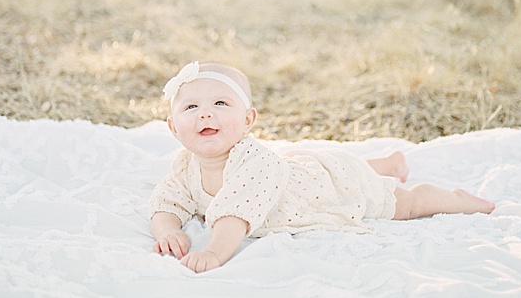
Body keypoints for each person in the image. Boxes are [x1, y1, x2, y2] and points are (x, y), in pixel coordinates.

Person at [149, 61, 495, 274]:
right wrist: (168, 231)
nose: (205, 113)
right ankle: (387, 163)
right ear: (173, 127)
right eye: (191, 106)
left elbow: (233, 219)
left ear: (248, 119)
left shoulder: (252, 162)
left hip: (329, 190)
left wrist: (212, 253)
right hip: (302, 171)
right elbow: (166, 204)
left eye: (220, 103)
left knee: (403, 204)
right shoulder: (184, 167)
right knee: (349, 167)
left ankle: (452, 197)